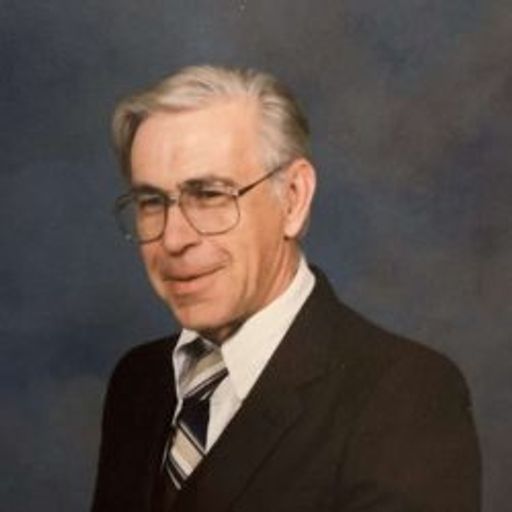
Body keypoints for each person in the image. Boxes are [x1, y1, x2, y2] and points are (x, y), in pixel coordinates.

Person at [92, 65, 480, 512]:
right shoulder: (139, 382)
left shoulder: (405, 396)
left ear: (293, 198)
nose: (174, 238)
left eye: (210, 195)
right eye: (151, 202)